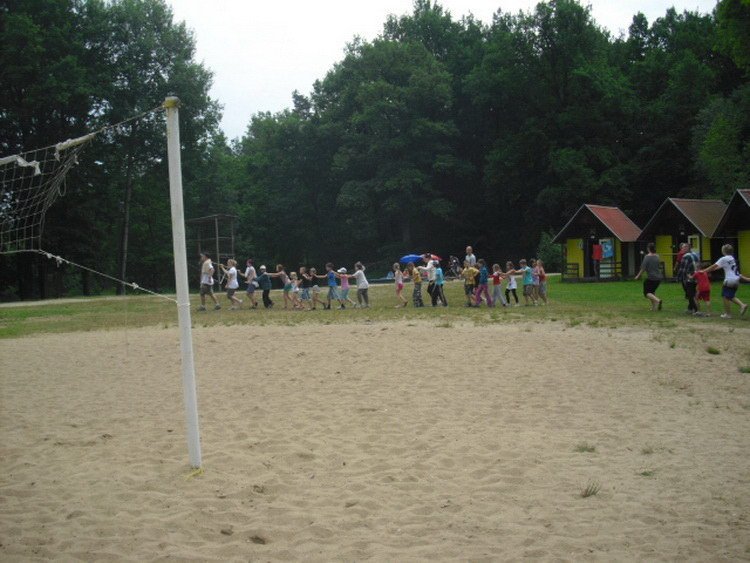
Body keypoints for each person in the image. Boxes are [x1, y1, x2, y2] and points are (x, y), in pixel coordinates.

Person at [699, 244, 750, 319]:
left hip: (729, 280)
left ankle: (728, 314)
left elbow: (714, 266)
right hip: (736, 280)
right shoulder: (731, 258)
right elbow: (718, 267)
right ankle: (742, 305)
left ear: (723, 251)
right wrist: (710, 270)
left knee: (725, 296)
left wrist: (704, 271)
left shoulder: (724, 258)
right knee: (730, 296)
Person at [634, 242, 663, 311]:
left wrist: (638, 276)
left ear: (648, 248)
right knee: (652, 292)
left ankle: (658, 300)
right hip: (658, 278)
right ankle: (654, 307)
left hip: (651, 278)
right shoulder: (657, 256)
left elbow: (643, 268)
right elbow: (658, 266)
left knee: (646, 293)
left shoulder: (647, 257)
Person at [676, 242, 699, 314]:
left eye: (683, 247)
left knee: (690, 294)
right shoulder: (695, 255)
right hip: (696, 276)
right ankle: (690, 308)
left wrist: (678, 277)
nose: (682, 249)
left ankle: (696, 310)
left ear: (687, 248)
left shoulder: (686, 256)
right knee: (693, 292)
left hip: (688, 277)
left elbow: (683, 269)